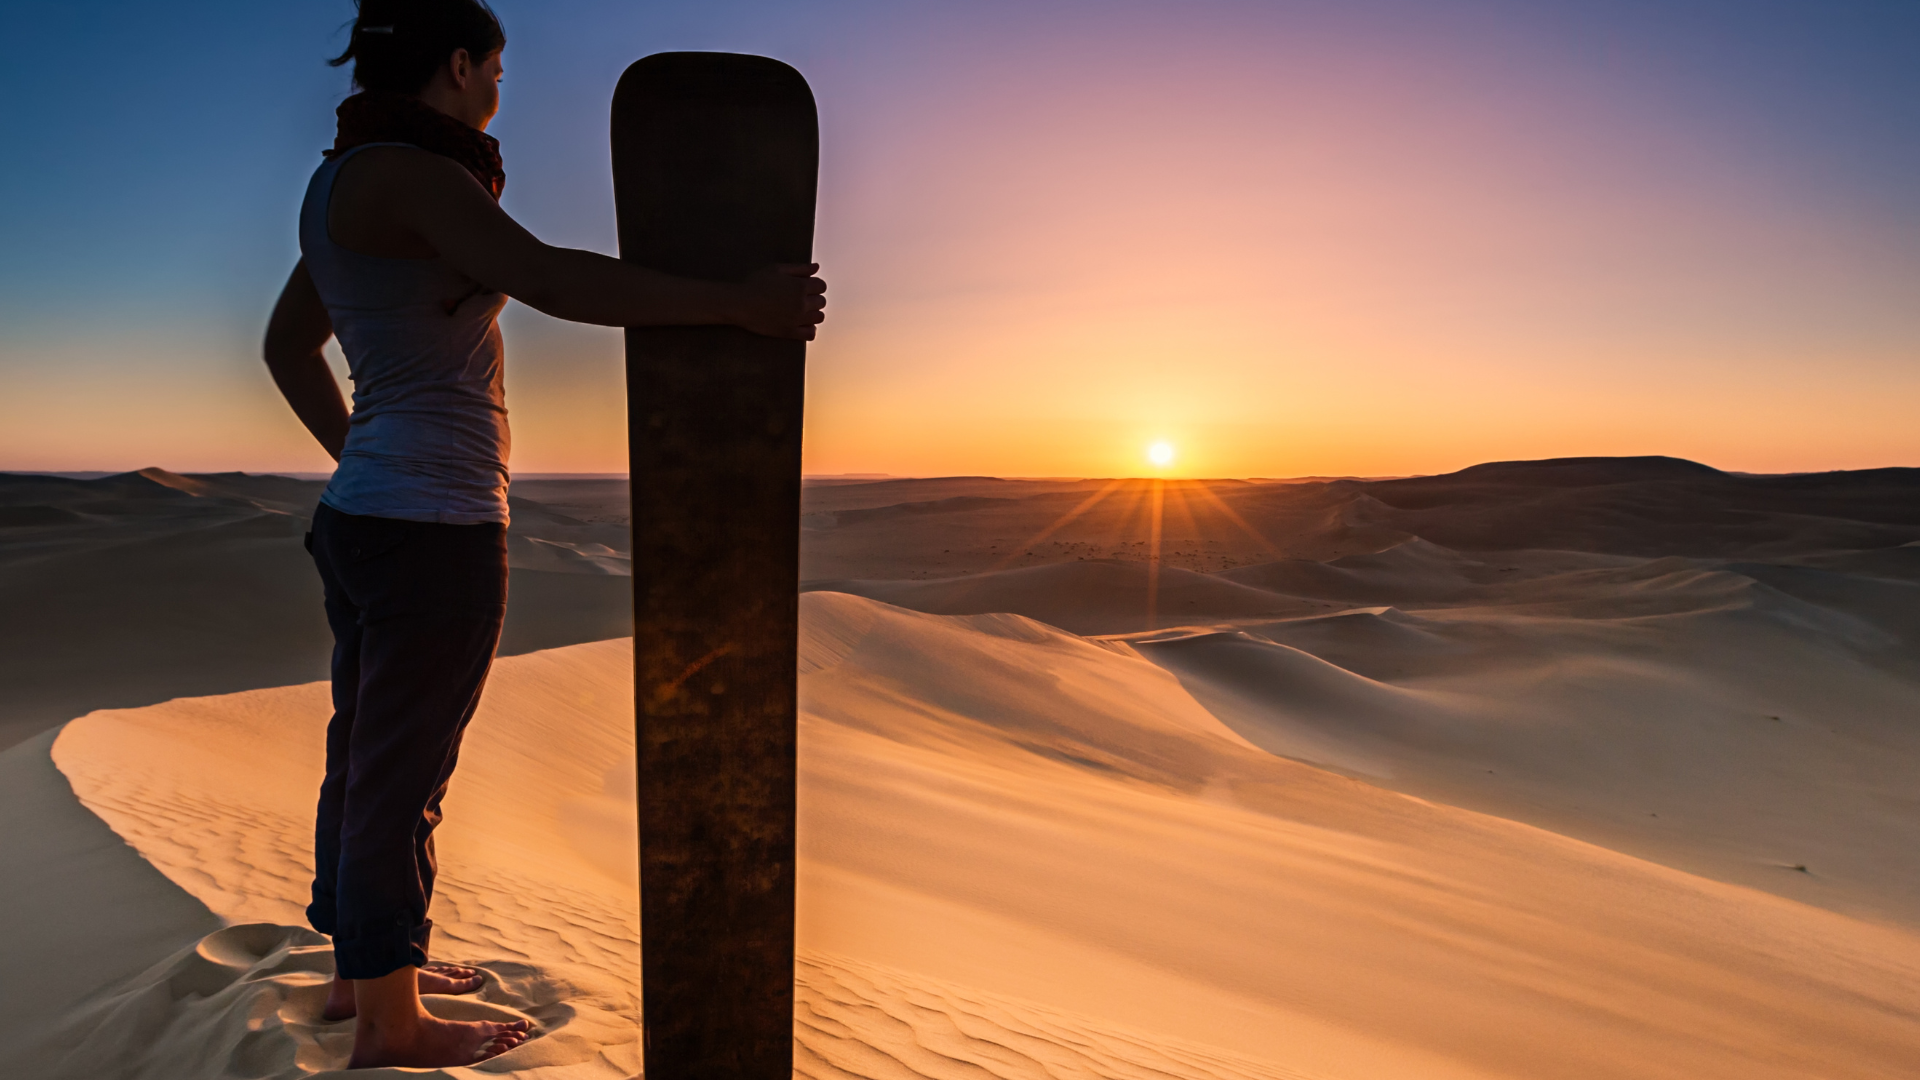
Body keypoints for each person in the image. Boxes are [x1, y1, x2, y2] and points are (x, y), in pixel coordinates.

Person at [262, 0, 825, 1068]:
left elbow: (288, 348)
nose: (496, 91)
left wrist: (362, 455)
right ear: (461, 63)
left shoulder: (339, 183)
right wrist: (735, 307)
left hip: (373, 519)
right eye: (497, 72)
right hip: (433, 531)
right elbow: (556, 279)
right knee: (400, 772)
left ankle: (365, 971)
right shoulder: (417, 178)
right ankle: (390, 1023)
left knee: (366, 755)